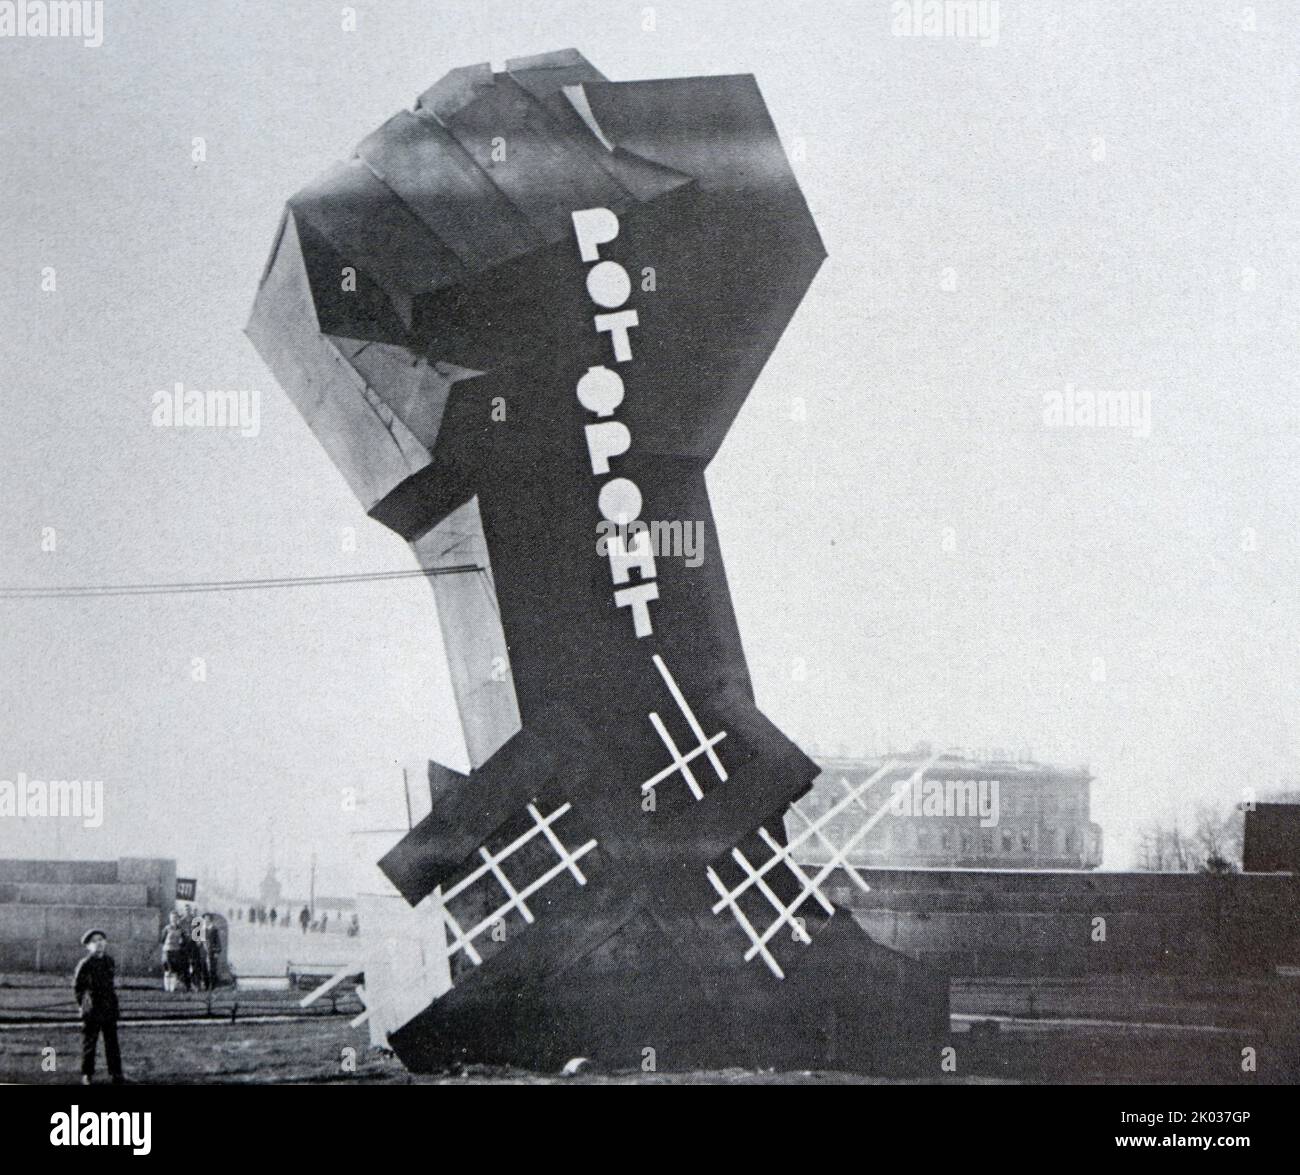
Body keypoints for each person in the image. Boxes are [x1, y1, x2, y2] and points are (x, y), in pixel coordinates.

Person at [74, 929, 124, 1084]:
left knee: (112, 1042)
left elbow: (110, 984)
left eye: (101, 939)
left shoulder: (109, 961)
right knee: (90, 1042)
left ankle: (116, 1073)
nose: (99, 943)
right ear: (88, 946)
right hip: (93, 1008)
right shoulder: (85, 964)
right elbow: (78, 988)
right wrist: (83, 1005)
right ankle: (87, 1074)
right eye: (94, 941)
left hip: (108, 1006)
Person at [160, 912, 187, 992]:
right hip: (168, 950)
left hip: (176, 950)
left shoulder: (180, 929)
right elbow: (162, 940)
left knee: (175, 969)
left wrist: (181, 942)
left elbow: (184, 939)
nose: (174, 919)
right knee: (168, 968)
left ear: (177, 919)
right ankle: (167, 987)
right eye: (172, 918)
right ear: (170, 919)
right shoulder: (167, 928)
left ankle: (173, 987)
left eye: (175, 917)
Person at [200, 913, 222, 989]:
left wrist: (217, 951)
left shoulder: (214, 929)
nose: (206, 920)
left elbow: (218, 941)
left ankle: (212, 985)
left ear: (210, 920)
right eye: (205, 919)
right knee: (204, 968)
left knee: (212, 968)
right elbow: (199, 941)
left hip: (212, 951)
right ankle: (206, 985)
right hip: (203, 951)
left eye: (208, 919)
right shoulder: (201, 929)